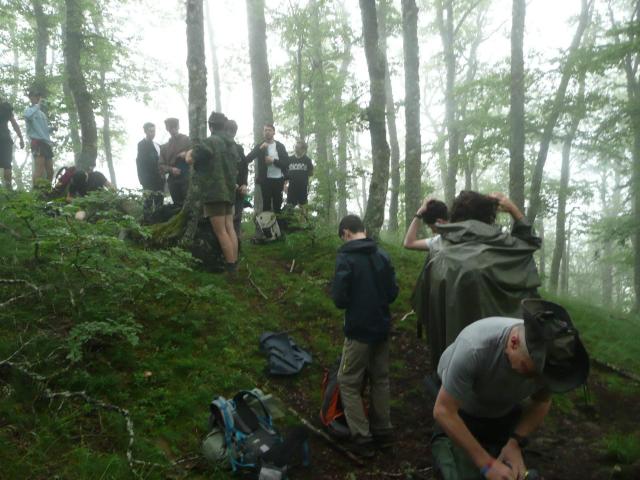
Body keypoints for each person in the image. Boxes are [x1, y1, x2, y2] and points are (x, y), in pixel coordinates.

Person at [432, 299, 590, 480]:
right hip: (460, 415)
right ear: (514, 343)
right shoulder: (474, 348)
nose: (536, 381)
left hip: (503, 418)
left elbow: (542, 402)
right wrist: (487, 464)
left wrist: (515, 441)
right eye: (529, 371)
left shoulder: (546, 364)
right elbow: (444, 411)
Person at [422, 191, 541, 367]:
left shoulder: (440, 258)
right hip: (509, 358)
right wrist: (512, 209)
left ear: (454, 217)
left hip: (459, 363)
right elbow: (529, 243)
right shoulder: (510, 251)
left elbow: (427, 309)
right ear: (490, 217)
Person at [331, 214, 399, 457]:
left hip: (358, 331)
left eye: (343, 237)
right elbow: (392, 293)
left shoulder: (346, 257)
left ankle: (362, 437)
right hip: (381, 328)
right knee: (380, 378)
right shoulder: (382, 255)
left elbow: (340, 299)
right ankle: (383, 430)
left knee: (348, 381)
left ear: (347, 232)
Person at [188, 112, 239, 273]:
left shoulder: (210, 142)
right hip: (229, 192)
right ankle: (235, 261)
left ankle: (231, 268)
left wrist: (189, 152)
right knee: (230, 228)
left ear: (210, 126)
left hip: (214, 192)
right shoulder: (231, 144)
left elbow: (191, 159)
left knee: (221, 231)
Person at [245, 123, 289, 213]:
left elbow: (286, 163)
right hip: (265, 181)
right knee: (266, 206)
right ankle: (266, 227)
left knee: (278, 205)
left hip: (279, 180)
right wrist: (260, 149)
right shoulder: (260, 146)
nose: (267, 132)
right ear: (263, 133)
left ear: (274, 132)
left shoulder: (280, 146)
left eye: (269, 130)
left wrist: (273, 161)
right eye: (265, 130)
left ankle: (278, 226)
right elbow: (248, 159)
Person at [24, 88, 54, 185]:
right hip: (37, 142)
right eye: (35, 96)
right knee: (39, 169)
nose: (37, 98)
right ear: (30, 97)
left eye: (38, 96)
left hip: (46, 143)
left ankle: (46, 190)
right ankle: (36, 193)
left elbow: (44, 129)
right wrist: (37, 105)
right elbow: (28, 116)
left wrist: (52, 129)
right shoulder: (28, 110)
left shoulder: (42, 114)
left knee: (50, 171)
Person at [159, 118, 191, 206]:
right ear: (167, 129)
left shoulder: (187, 140)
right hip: (173, 180)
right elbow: (161, 165)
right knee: (177, 205)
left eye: (174, 127)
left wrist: (187, 153)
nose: (173, 130)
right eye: (170, 128)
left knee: (189, 204)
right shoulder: (165, 147)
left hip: (187, 177)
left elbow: (197, 154)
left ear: (178, 127)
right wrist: (171, 169)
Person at [136, 122, 165, 219]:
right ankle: (147, 223)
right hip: (148, 180)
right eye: (151, 131)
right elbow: (140, 163)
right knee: (148, 202)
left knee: (159, 202)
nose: (153, 133)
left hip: (159, 179)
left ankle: (159, 221)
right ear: (145, 131)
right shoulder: (141, 145)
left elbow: (162, 161)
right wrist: (142, 179)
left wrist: (163, 175)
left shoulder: (157, 145)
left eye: (154, 131)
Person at [225, 119, 249, 237]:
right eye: (228, 131)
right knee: (225, 220)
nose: (230, 133)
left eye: (233, 131)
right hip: (224, 191)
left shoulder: (239, 149)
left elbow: (244, 168)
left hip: (238, 190)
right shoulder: (219, 148)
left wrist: (244, 184)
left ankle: (237, 246)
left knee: (237, 218)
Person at [0, 99, 25, 190]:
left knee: (7, 165)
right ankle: (9, 188)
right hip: (5, 139)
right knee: (7, 165)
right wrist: (21, 138)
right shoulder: (6, 108)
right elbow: (14, 124)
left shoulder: (5, 108)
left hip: (5, 139)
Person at [285, 140, 313, 209]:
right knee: (289, 207)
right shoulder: (289, 159)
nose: (296, 149)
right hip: (291, 188)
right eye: (295, 147)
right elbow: (285, 173)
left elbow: (311, 173)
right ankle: (289, 219)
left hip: (302, 188)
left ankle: (303, 220)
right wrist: (284, 185)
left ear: (303, 149)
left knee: (303, 207)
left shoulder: (307, 160)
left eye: (298, 147)